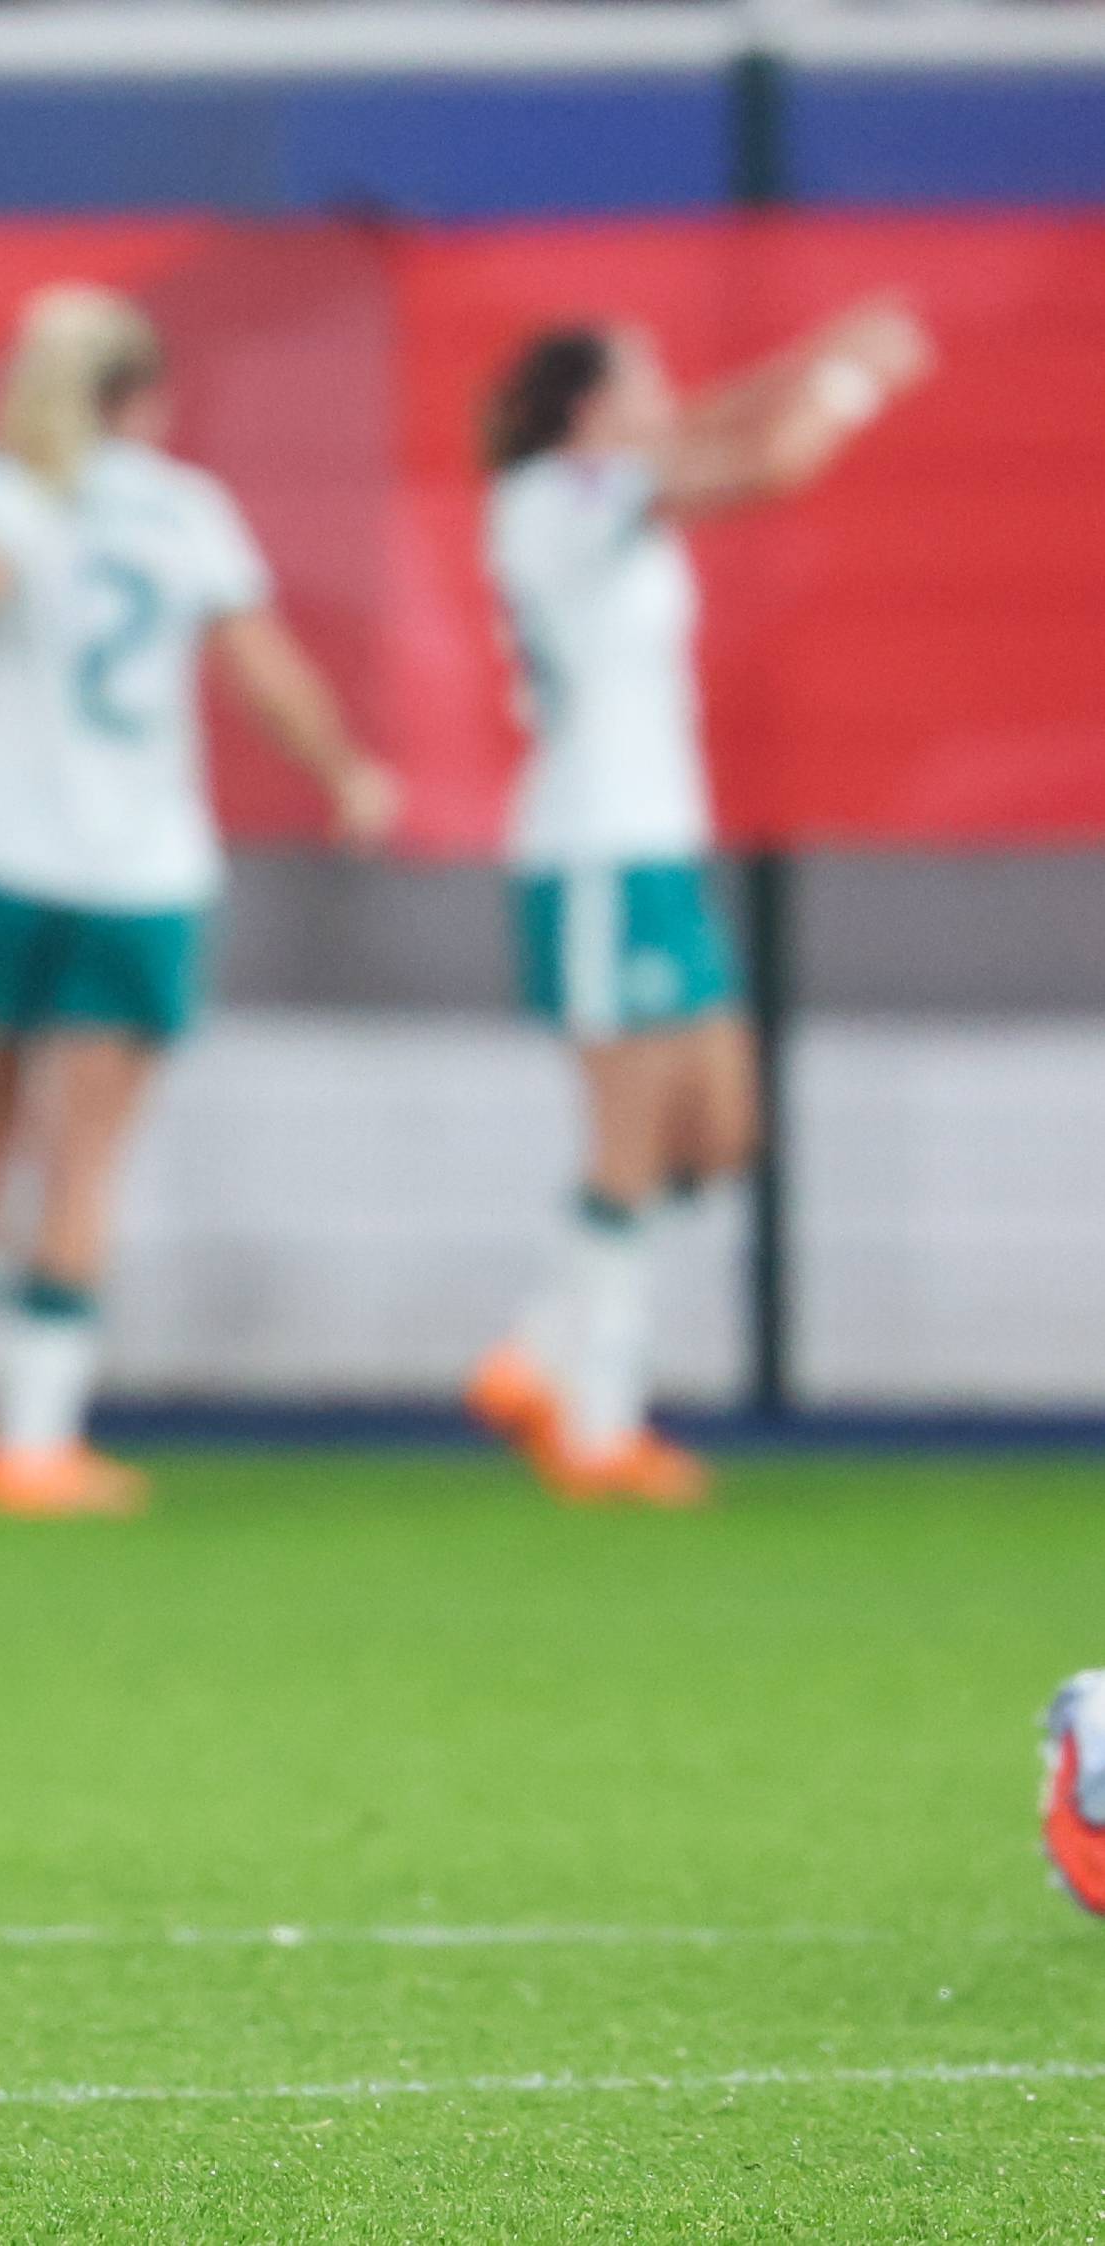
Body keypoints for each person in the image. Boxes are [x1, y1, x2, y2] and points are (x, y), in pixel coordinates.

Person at [0, 285, 399, 1517]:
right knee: (86, 1151)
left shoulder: (2, 490)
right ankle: (35, 1435)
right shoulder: (183, 510)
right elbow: (263, 671)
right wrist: (344, 771)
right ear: (149, 397)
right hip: (134, 868)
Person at [464, 300, 928, 1506]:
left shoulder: (607, 485)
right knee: (624, 1137)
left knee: (717, 1131)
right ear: (587, 408)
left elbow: (710, 424)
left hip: (657, 850)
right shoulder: (553, 499)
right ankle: (596, 1417)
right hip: (593, 853)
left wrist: (813, 349)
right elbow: (762, 466)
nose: (667, 393)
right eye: (642, 377)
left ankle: (537, 1346)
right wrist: (851, 386)